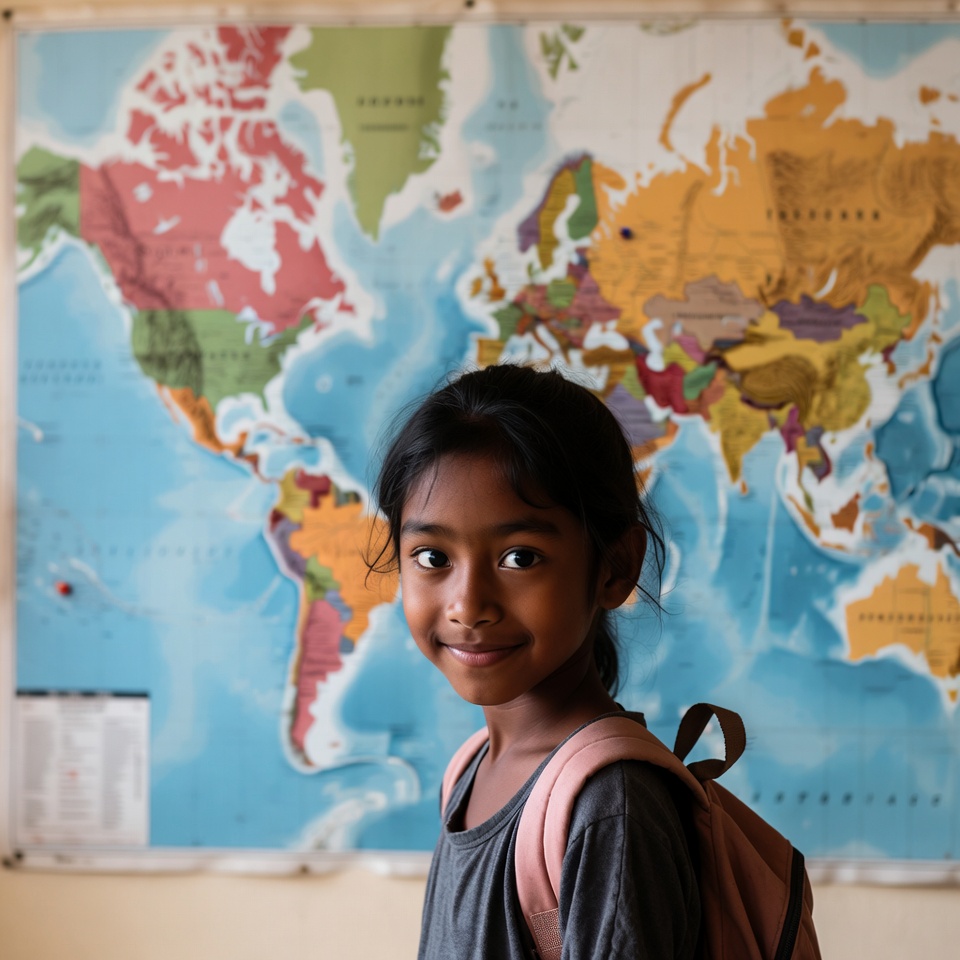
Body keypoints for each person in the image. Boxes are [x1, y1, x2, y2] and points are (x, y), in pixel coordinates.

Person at [371, 363, 701, 959]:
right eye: (431, 556)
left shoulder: (609, 810)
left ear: (615, 567)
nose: (468, 605)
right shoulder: (469, 770)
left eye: (521, 557)